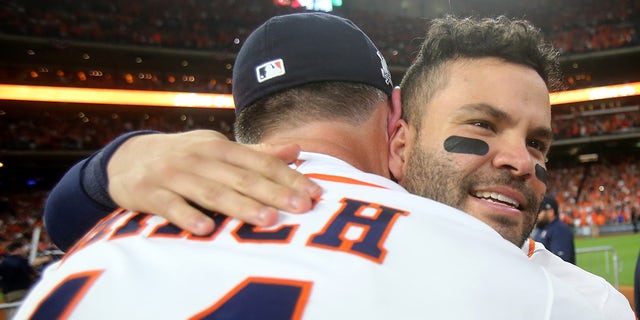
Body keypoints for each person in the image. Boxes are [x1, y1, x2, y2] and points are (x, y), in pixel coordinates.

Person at [39, 14, 634, 319]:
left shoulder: (103, 239)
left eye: (541, 144)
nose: (522, 162)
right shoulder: (555, 298)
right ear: (398, 130)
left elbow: (63, 222)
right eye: (479, 125)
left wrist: (105, 171)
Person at [0, 240, 50, 319]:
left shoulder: (4, 263)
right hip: (22, 292)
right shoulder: (22, 261)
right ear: (18, 249)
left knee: (11, 313)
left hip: (8, 294)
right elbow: (31, 274)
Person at [532, 195, 576, 264]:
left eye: (540, 211)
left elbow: (560, 262)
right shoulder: (542, 229)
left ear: (551, 212)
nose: (537, 215)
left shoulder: (560, 230)